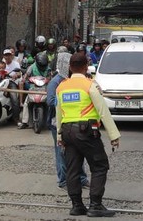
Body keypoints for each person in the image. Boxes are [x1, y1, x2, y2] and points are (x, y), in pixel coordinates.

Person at [57, 52, 120, 217]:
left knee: (72, 169)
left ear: (70, 67)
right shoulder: (90, 85)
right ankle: (95, 205)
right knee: (99, 166)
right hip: (86, 132)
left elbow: (59, 113)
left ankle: (77, 205)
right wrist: (113, 135)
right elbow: (102, 110)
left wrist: (59, 136)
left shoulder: (61, 86)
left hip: (67, 132)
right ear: (86, 67)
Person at [47, 51, 89, 189]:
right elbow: (51, 101)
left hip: (73, 122)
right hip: (57, 123)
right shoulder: (55, 82)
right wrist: (65, 102)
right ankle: (63, 180)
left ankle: (81, 179)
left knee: (78, 152)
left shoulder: (72, 81)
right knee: (61, 152)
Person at [18, 52, 52, 129]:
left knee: (50, 103)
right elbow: (26, 75)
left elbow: (50, 77)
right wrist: (24, 79)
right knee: (27, 102)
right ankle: (24, 122)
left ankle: (49, 121)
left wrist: (50, 80)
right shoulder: (32, 67)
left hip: (45, 88)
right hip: (33, 87)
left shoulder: (48, 68)